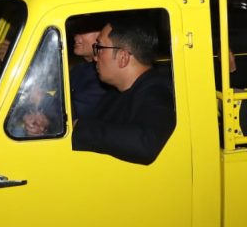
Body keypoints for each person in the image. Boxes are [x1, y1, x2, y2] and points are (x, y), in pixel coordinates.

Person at [71, 14, 176, 165]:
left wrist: (79, 127)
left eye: (99, 48)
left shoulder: (157, 92)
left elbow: (145, 143)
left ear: (123, 57)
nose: (95, 57)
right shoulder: (115, 93)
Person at [68, 16, 110, 120]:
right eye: (76, 32)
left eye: (83, 31)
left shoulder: (107, 74)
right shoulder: (78, 69)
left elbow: (73, 111)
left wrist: (41, 98)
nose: (76, 36)